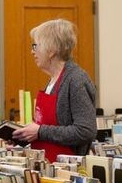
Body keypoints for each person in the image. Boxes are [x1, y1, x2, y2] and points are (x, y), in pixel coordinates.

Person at [12, 19, 97, 163]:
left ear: (51, 51)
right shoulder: (52, 81)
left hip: (66, 172)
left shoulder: (76, 80)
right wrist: (23, 136)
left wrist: (39, 131)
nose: (32, 51)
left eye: (36, 46)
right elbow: (46, 130)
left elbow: (85, 131)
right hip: (47, 166)